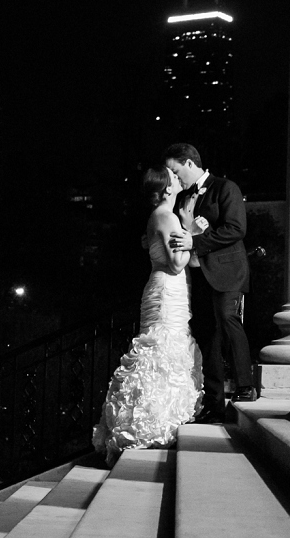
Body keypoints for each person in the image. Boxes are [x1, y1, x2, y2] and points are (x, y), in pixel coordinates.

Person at [92, 166, 203, 466]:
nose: (179, 180)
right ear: (167, 189)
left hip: (168, 289)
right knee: (160, 351)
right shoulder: (165, 217)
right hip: (167, 288)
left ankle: (159, 421)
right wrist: (193, 233)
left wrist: (189, 232)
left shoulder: (164, 215)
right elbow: (178, 263)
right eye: (174, 177)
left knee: (165, 350)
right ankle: (148, 426)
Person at [164, 142, 255, 426]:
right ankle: (214, 403)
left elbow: (237, 229)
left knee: (228, 320)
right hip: (196, 275)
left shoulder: (226, 188)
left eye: (177, 173)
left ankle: (245, 386)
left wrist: (197, 240)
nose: (176, 180)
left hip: (228, 272)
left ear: (190, 164)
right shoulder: (182, 198)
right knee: (207, 335)